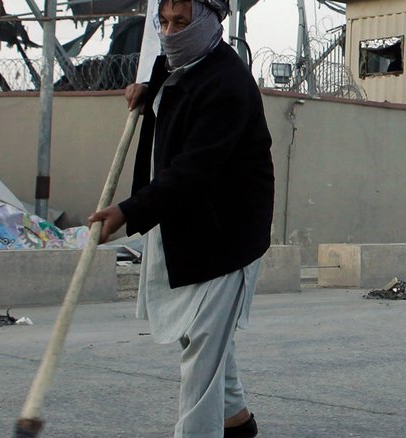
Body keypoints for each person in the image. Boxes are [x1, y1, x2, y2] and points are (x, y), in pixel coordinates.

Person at [88, 0, 274, 436]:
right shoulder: (175, 67)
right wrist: (146, 93)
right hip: (189, 230)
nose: (172, 33)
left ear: (210, 22)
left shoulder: (227, 84)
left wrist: (127, 211)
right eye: (165, 22)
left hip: (228, 238)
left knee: (202, 355)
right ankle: (237, 422)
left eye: (182, 22)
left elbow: (195, 169)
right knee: (202, 339)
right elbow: (171, 100)